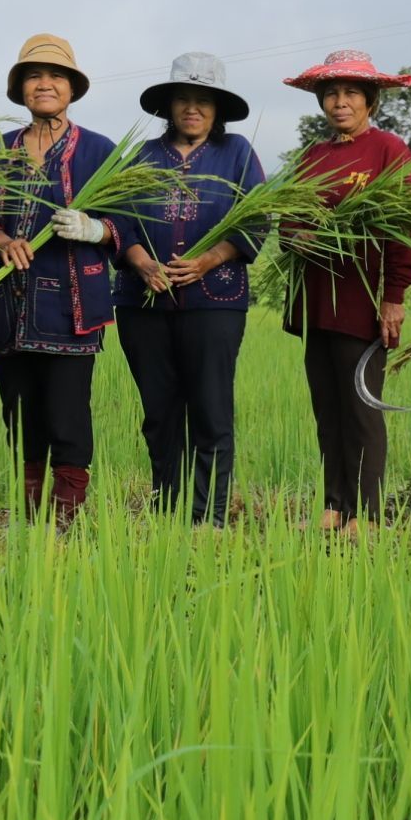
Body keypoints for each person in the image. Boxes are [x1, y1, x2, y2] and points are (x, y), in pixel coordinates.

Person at [0, 35, 130, 530]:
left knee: (66, 412)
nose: (45, 84)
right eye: (34, 77)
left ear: (72, 88)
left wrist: (96, 228)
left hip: (72, 307)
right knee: (18, 413)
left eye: (56, 76)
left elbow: (131, 224)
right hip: (9, 304)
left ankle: (64, 516)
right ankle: (30, 509)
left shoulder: (101, 152)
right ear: (21, 88)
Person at [114, 50, 267, 527]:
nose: (192, 108)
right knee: (159, 411)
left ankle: (209, 517)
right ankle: (168, 507)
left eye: (203, 100)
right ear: (168, 106)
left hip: (214, 301)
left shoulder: (236, 153)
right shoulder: (141, 157)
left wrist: (207, 260)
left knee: (211, 409)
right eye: (183, 98)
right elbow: (116, 220)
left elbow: (258, 218)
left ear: (217, 108)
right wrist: (140, 262)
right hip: (144, 304)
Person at [278, 49, 411, 533]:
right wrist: (303, 236)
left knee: (362, 409)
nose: (340, 102)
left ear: (370, 100)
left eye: (351, 93)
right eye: (332, 94)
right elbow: (288, 223)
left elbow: (404, 230)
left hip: (363, 302)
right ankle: (334, 504)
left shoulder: (388, 151)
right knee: (328, 408)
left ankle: (366, 513)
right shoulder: (312, 156)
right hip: (318, 298)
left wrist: (394, 297)